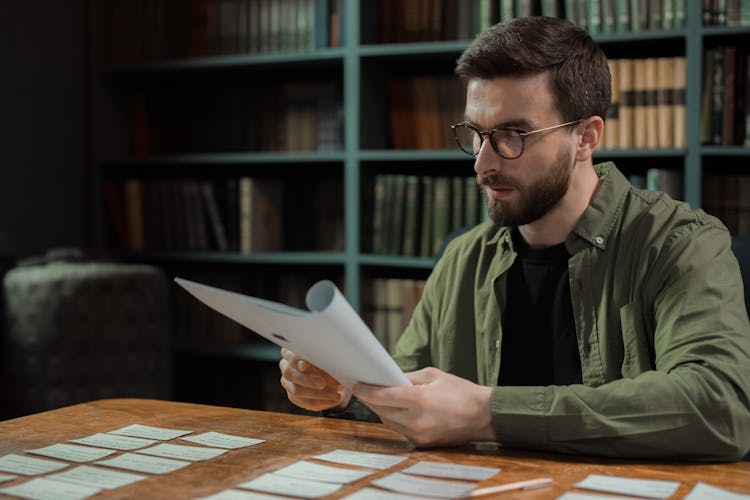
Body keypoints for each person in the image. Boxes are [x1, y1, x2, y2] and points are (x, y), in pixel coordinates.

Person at [279, 16, 750, 461]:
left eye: (512, 135)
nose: (482, 164)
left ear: (585, 138)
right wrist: (344, 392)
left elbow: (719, 406)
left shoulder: (681, 244)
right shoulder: (464, 256)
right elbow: (409, 391)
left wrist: (488, 413)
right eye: (476, 134)